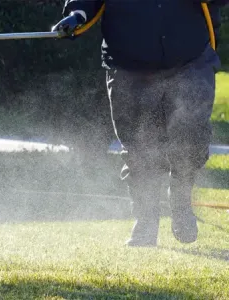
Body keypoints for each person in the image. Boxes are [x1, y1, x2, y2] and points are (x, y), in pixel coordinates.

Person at [52, 0, 228, 247]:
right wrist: (77, 13)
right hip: (128, 66)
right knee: (139, 149)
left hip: (190, 59)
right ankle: (145, 224)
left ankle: (181, 203)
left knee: (191, 136)